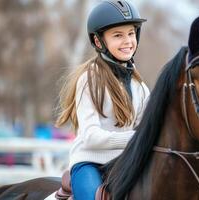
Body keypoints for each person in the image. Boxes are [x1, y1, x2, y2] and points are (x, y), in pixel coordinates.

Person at [55, 1, 149, 200]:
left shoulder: (140, 87)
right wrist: (135, 138)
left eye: (131, 33)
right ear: (99, 42)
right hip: (90, 163)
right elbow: (90, 136)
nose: (128, 41)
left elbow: (146, 128)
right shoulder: (89, 79)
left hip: (125, 163)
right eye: (118, 35)